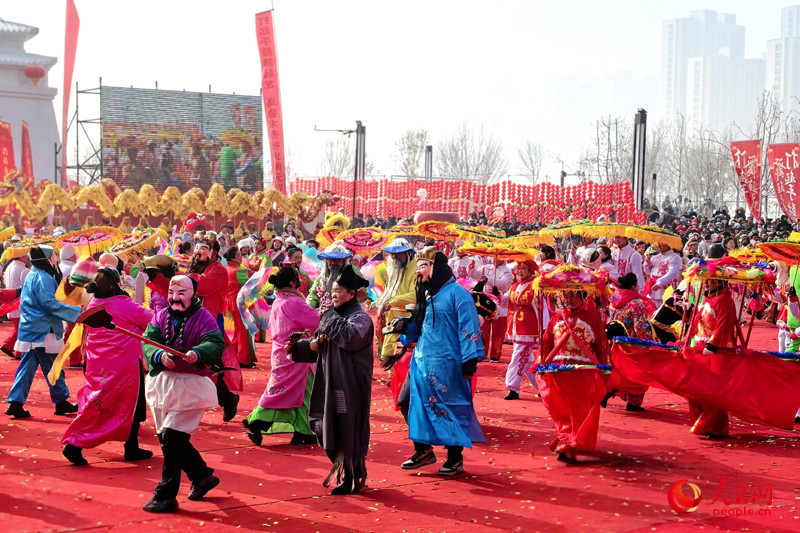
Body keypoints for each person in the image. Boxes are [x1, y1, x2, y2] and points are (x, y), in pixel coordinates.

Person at [393, 247, 486, 476]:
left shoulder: (458, 293)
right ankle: (423, 449)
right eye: (418, 267)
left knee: (449, 408)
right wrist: (405, 326)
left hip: (449, 363)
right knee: (407, 402)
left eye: (423, 266)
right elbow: (420, 328)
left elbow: (469, 328)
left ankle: (455, 458)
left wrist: (470, 359)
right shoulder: (427, 295)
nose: (419, 272)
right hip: (422, 362)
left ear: (438, 268)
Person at [141, 275, 225, 513]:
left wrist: (198, 352)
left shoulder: (204, 317)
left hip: (191, 385)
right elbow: (149, 340)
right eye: (171, 292)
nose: (175, 298)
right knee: (168, 439)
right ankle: (202, 477)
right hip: (163, 383)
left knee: (172, 438)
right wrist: (158, 355)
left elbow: (214, 342)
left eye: (181, 292)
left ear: (193, 294)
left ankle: (165, 495)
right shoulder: (160, 316)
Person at [288, 265, 374, 495]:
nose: (333, 294)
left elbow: (350, 338)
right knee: (323, 426)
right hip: (328, 382)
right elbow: (317, 345)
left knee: (347, 429)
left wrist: (327, 316)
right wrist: (305, 346)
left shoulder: (360, 318)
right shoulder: (334, 316)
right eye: (333, 290)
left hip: (349, 386)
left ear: (352, 294)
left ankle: (351, 476)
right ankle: (346, 471)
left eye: (339, 290)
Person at [61, 267, 154, 465]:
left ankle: (129, 447)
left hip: (98, 364)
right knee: (130, 405)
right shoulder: (125, 304)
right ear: (115, 284)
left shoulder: (94, 302)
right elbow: (152, 322)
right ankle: (75, 444)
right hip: (124, 365)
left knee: (97, 403)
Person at [536, 267, 609, 463]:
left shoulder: (592, 319)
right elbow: (546, 342)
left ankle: (572, 442)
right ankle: (566, 440)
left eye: (572, 296)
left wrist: (604, 368)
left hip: (584, 373)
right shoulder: (556, 319)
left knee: (580, 410)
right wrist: (541, 362)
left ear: (583, 297)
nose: (568, 300)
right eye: (565, 296)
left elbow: (601, 345)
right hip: (559, 372)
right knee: (561, 409)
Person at [244, 264, 320, 446]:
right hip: (298, 354)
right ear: (293, 283)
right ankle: (298, 430)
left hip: (280, 353)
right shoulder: (294, 302)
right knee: (303, 393)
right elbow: (316, 321)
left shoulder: (278, 300)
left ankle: (260, 420)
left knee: (281, 391)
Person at [5, 246, 82, 419]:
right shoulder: (44, 277)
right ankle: (60, 401)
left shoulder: (32, 274)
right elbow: (50, 304)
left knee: (27, 367)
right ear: (47, 260)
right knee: (53, 366)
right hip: (43, 329)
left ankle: (16, 402)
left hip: (31, 328)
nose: (55, 260)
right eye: (53, 257)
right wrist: (77, 312)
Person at [187, 232, 241, 421]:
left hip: (211, 322)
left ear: (214, 253)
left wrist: (187, 275)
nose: (198, 252)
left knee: (210, 365)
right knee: (197, 365)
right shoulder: (197, 268)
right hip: (193, 321)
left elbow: (202, 286)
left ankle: (227, 398)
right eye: (197, 247)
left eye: (204, 248)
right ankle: (226, 399)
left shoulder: (218, 270)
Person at [689, 273, 736, 439]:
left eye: (710, 280)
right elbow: (698, 323)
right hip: (701, 348)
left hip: (717, 350)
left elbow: (724, 325)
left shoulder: (725, 300)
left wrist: (713, 344)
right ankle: (702, 423)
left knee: (712, 391)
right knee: (696, 390)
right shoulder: (709, 299)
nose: (707, 284)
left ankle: (715, 427)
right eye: (706, 280)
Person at [603, 272, 657, 411]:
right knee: (638, 374)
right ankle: (633, 403)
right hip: (633, 342)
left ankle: (610, 390)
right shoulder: (636, 303)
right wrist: (649, 343)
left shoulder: (614, 299)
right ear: (633, 286)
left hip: (616, 340)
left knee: (620, 370)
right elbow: (640, 325)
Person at [374, 239, 417, 370]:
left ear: (408, 253)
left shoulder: (416, 269)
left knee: (405, 352)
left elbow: (414, 296)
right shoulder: (393, 268)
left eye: (398, 254)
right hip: (393, 315)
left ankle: (402, 379)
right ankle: (393, 378)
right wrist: (379, 301)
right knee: (388, 350)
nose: (394, 257)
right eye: (392, 254)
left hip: (410, 317)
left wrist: (391, 302)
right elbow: (389, 291)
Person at [503, 258, 540, 400]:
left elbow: (539, 308)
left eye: (524, 268)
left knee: (518, 356)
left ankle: (513, 387)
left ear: (531, 270)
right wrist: (497, 294)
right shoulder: (515, 286)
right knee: (527, 359)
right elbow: (506, 302)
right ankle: (541, 385)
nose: (520, 270)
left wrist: (543, 328)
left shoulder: (535, 285)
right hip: (515, 324)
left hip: (528, 326)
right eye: (519, 268)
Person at [471, 256, 514, 364]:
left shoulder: (507, 271)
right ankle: (482, 352)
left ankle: (495, 355)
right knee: (483, 329)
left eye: (498, 257)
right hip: (484, 302)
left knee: (498, 332)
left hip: (499, 301)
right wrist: (472, 267)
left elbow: (504, 284)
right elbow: (475, 275)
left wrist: (488, 279)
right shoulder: (486, 267)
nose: (495, 259)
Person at [307, 243, 366, 313]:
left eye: (337, 260)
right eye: (330, 260)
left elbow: (362, 292)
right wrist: (310, 309)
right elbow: (313, 295)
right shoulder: (321, 276)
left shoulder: (353, 272)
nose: (333, 263)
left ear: (344, 260)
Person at [223, 247, 256, 367]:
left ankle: (235, 356)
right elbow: (249, 285)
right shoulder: (238, 271)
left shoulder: (226, 269)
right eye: (238, 255)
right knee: (242, 332)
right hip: (238, 304)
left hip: (228, 304)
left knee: (236, 332)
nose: (241, 257)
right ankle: (243, 359)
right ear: (232, 258)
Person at [1, 253, 29, 359]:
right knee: (21, 329)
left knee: (19, 328)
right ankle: (9, 346)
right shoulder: (22, 269)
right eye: (25, 256)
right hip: (19, 301)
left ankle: (16, 350)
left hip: (11, 300)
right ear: (21, 257)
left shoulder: (10, 267)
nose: (27, 258)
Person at [646, 243, 682, 308]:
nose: (658, 245)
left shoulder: (675, 258)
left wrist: (660, 283)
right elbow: (648, 272)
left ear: (667, 244)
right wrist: (646, 262)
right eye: (658, 243)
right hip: (654, 288)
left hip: (666, 287)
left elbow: (672, 273)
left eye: (661, 243)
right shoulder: (655, 257)